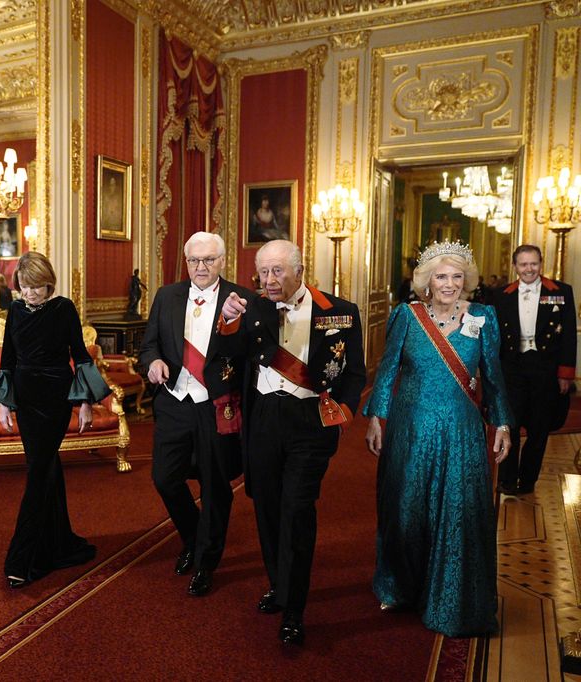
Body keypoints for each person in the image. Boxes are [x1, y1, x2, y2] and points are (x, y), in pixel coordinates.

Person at [220, 239, 366, 645]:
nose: (269, 280)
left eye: (278, 271)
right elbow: (228, 356)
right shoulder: (251, 308)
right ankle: (279, 586)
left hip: (310, 420)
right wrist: (227, 322)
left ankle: (295, 610)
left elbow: (354, 371)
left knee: (297, 509)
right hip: (265, 418)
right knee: (266, 507)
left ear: (299, 271)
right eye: (263, 271)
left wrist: (343, 414)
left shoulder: (338, 311)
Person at [363, 241, 512, 638]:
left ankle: (452, 599)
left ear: (467, 280)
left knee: (458, 515)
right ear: (426, 282)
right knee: (406, 511)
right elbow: (387, 370)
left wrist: (501, 424)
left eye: (457, 276)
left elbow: (493, 377)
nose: (449, 284)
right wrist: (376, 417)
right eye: (441, 277)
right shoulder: (407, 316)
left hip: (461, 433)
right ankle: (399, 587)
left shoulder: (482, 317)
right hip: (410, 430)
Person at [0, 251, 111, 589]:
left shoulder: (63, 309)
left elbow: (80, 356)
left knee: (37, 475)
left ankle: (22, 559)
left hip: (55, 400)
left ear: (49, 284)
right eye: (24, 287)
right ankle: (58, 542)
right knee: (46, 468)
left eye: (36, 287)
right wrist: (5, 402)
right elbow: (8, 359)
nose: (29, 293)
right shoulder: (15, 310)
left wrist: (85, 402)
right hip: (26, 400)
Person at [138, 231, 253, 598]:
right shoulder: (166, 296)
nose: (200, 267)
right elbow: (149, 345)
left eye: (208, 260)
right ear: (186, 262)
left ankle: (206, 561)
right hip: (174, 400)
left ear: (223, 261)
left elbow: (251, 357)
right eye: (193, 260)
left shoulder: (243, 299)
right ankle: (194, 537)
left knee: (215, 485)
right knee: (164, 478)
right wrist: (153, 362)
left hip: (216, 404)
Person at [491, 245, 577, 495]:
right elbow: (494, 338)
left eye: (534, 264)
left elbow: (569, 336)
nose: (529, 269)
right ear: (515, 266)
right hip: (512, 368)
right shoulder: (501, 295)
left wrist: (565, 373)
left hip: (545, 368)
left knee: (539, 427)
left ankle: (527, 480)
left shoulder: (560, 292)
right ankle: (507, 479)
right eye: (523, 264)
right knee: (510, 424)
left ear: (541, 263)